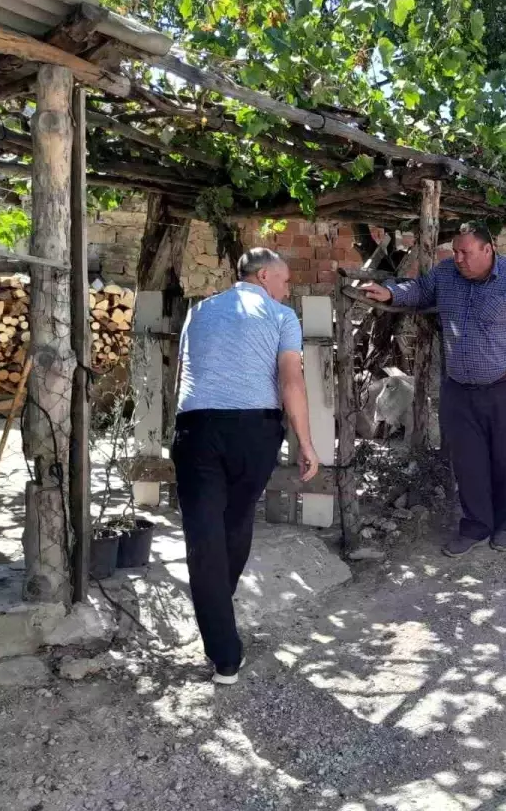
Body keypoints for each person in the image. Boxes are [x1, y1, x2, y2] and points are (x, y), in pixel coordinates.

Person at [173, 248, 320, 685]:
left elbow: (184, 370)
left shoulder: (197, 312)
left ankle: (224, 653)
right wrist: (306, 442)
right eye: (285, 280)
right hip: (253, 432)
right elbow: (290, 380)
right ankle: (221, 611)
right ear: (262, 277)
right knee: (236, 522)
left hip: (195, 427)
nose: (287, 288)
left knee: (203, 535)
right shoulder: (281, 317)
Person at [362, 222, 506, 557]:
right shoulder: (446, 274)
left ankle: (505, 525)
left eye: (466, 252)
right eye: (456, 251)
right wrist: (391, 293)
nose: (458, 258)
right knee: (468, 463)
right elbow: (419, 290)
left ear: (487, 249)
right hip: (460, 391)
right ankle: (476, 525)